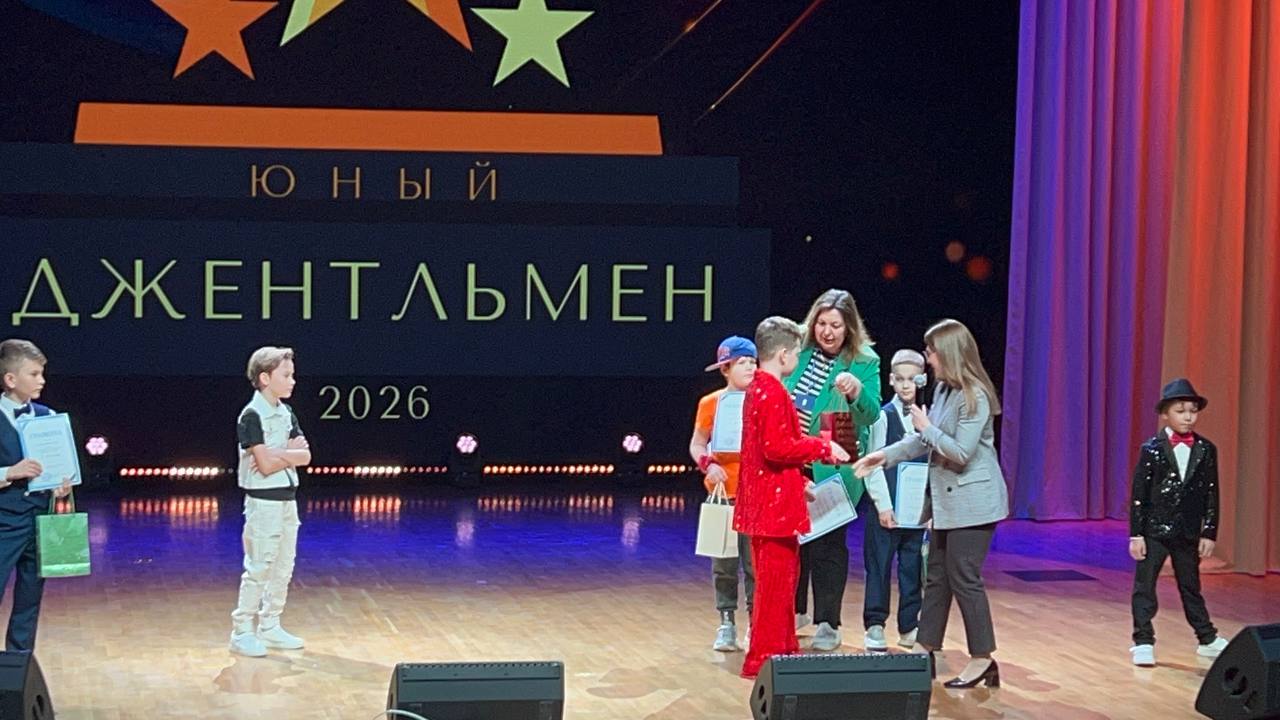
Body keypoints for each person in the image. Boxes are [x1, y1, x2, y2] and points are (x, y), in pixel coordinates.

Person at [854, 319, 1007, 688]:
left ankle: (983, 658)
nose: (928, 358)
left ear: (948, 353)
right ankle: (925, 649)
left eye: (931, 351)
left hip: (974, 503)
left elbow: (960, 452)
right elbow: (923, 441)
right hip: (946, 503)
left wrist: (926, 427)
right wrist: (883, 456)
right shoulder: (943, 391)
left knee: (964, 578)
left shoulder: (974, 395)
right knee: (937, 577)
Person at [736, 317, 849, 679]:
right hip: (772, 511)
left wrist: (797, 480)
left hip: (771, 502)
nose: (799, 360)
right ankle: (765, 659)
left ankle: (782, 652)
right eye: (798, 354)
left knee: (782, 584)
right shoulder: (771, 392)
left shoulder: (761, 388)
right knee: (775, 588)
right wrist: (822, 447)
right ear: (783, 354)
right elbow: (776, 447)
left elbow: (763, 453)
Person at [786, 289, 880, 651]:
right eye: (822, 323)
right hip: (793, 463)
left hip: (832, 467)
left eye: (836, 326)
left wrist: (856, 392)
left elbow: (871, 414)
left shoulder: (864, 361)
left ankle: (828, 621)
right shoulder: (797, 349)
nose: (827, 332)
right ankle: (794, 611)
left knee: (827, 546)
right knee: (791, 543)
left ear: (849, 327)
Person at [1127, 378, 1228, 667]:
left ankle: (1206, 638)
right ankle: (1143, 640)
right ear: (1165, 414)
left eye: (1192, 411)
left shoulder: (1206, 449)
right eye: (1181, 411)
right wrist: (1136, 534)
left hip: (1187, 530)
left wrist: (1209, 531)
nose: (1188, 417)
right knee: (1145, 586)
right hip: (1155, 529)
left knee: (1190, 585)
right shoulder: (1152, 449)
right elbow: (1139, 494)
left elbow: (1212, 492)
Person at [229, 346, 312, 657]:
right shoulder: (252, 415)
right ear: (265, 378)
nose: (292, 381)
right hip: (263, 503)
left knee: (284, 565)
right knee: (260, 566)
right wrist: (287, 454)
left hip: (288, 500)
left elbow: (305, 456)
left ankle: (271, 624)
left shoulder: (286, 413)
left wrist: (279, 454)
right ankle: (242, 630)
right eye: (286, 375)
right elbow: (263, 466)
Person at [0, 339, 72, 652]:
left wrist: (61, 486)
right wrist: (9, 472)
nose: (41, 380)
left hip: (39, 521)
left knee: (29, 600)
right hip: (4, 523)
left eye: (42, 373)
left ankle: (19, 664)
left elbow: (58, 467)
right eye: (34, 374)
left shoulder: (47, 416)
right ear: (10, 379)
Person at [689, 335, 758, 652]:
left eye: (753, 362)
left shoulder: (763, 400)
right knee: (725, 564)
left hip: (756, 495)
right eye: (742, 362)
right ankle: (727, 622)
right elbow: (697, 443)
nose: (750, 368)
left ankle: (756, 623)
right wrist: (708, 464)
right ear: (726, 369)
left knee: (755, 565)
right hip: (723, 494)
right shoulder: (711, 403)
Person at [860, 349, 928, 651]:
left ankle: (909, 625)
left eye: (912, 379)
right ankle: (875, 624)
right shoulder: (883, 417)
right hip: (887, 509)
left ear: (922, 380)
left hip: (916, 510)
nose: (905, 385)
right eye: (900, 379)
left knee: (912, 568)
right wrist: (883, 506)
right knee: (879, 567)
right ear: (890, 380)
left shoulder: (929, 417)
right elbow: (873, 464)